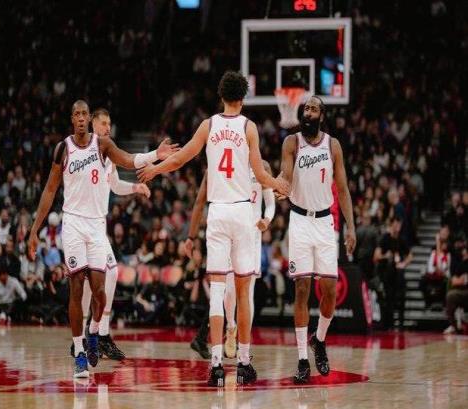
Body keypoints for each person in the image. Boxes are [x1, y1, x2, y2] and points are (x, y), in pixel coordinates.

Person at [138, 71, 289, 386]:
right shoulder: (249, 128)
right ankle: (244, 363)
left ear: (221, 96)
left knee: (218, 292)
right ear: (243, 98)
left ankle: (217, 365)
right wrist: (279, 185)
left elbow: (180, 159)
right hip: (243, 213)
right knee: (244, 292)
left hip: (217, 212)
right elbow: (261, 174)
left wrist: (154, 169)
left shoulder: (208, 125)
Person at [28, 100, 178, 378]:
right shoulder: (63, 148)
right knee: (76, 286)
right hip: (73, 223)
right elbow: (49, 190)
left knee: (100, 290)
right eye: (77, 114)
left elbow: (129, 160)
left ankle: (96, 331)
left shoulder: (103, 146)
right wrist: (34, 230)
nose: (81, 118)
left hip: (97, 226)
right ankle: (79, 352)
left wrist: (155, 155)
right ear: (72, 119)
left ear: (88, 119)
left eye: (84, 113)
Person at [279, 95, 356, 384]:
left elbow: (343, 189)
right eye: (306, 108)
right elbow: (287, 175)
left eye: (313, 108)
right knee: (301, 290)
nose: (308, 112)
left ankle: (319, 340)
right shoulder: (292, 142)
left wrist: (350, 227)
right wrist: (280, 185)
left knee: (330, 292)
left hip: (325, 223)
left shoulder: (332, 145)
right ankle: (302, 359)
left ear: (321, 116)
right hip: (299, 220)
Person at [79, 108, 151, 361]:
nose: (108, 127)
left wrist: (136, 187)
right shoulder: (82, 150)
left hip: (98, 227)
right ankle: (83, 337)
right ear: (92, 124)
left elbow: (116, 185)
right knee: (85, 283)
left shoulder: (109, 153)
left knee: (110, 273)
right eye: (103, 123)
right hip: (80, 225)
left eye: (110, 123)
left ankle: (101, 334)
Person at [184, 163, 276, 359]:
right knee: (228, 292)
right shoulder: (231, 164)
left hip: (252, 237)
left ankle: (243, 346)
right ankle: (230, 328)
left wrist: (267, 220)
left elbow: (270, 202)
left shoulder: (263, 166)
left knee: (247, 293)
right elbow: (203, 199)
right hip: (230, 232)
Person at [374, 217, 413, 329]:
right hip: (386, 274)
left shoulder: (401, 239)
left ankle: (401, 323)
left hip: (398, 274)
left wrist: (404, 264)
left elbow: (410, 255)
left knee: (400, 297)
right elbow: (376, 256)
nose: (397, 227)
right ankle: (388, 324)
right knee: (388, 299)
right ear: (391, 225)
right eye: (395, 225)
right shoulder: (385, 238)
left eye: (399, 225)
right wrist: (385, 256)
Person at [444, 244, 468, 334]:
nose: (464, 254)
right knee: (451, 295)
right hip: (462, 291)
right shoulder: (461, 264)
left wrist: (463, 279)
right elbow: (454, 281)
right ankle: (454, 326)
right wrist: (463, 280)